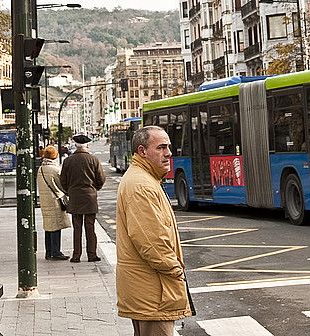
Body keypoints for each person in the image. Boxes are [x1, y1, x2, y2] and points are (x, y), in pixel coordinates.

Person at [116, 126, 193, 335]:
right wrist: (175, 269)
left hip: (147, 288)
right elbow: (151, 241)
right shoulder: (141, 185)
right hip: (153, 290)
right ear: (142, 151)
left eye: (168, 146)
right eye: (161, 147)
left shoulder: (143, 179)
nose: (168, 152)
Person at [59, 133, 105, 263]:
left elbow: (63, 180)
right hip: (90, 197)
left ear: (75, 145)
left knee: (77, 228)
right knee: (90, 227)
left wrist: (69, 191)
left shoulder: (68, 161)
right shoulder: (94, 160)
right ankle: (92, 255)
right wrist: (95, 188)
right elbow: (101, 178)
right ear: (87, 146)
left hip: (74, 197)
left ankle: (76, 255)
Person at [35, 145, 70, 260]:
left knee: (48, 226)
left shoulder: (40, 169)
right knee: (56, 226)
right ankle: (56, 252)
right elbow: (62, 185)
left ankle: (48, 251)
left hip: (44, 201)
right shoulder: (54, 170)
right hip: (54, 201)